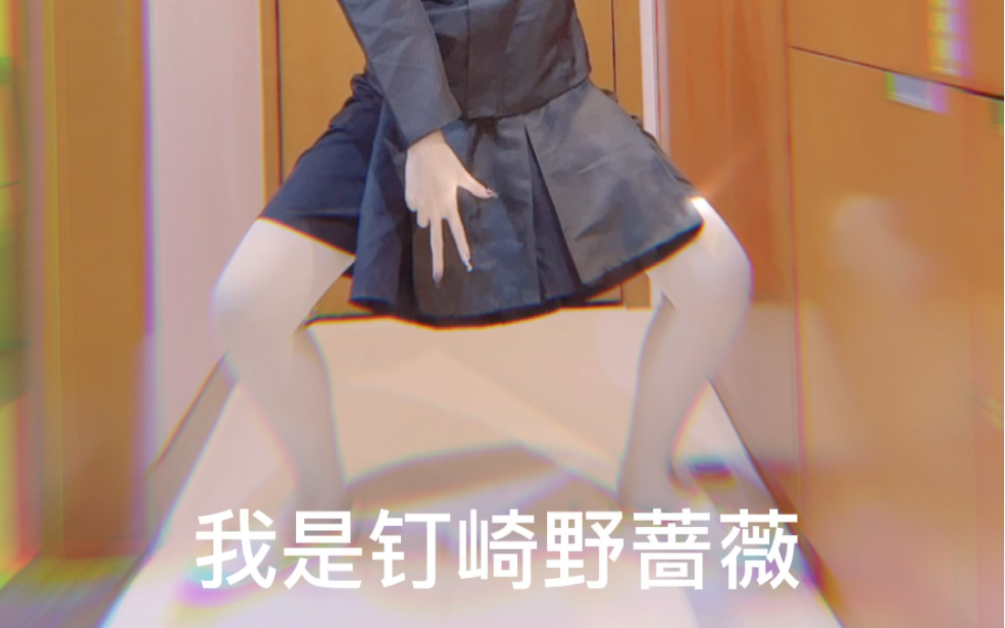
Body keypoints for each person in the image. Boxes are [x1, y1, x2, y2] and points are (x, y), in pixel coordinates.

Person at [210, 0, 751, 519]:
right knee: (247, 304)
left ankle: (648, 476)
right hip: (403, 108)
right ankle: (319, 493)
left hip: (550, 97)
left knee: (718, 274)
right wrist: (424, 135)